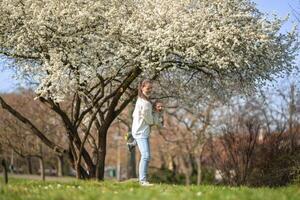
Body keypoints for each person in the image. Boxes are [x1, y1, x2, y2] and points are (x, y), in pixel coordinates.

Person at [131, 79, 163, 186]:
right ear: (142, 88)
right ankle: (143, 181)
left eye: (151, 88)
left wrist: (155, 110)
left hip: (140, 131)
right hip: (141, 132)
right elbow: (150, 120)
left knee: (146, 155)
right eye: (148, 88)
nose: (150, 90)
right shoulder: (145, 103)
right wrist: (157, 114)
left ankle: (132, 142)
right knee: (145, 156)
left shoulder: (144, 100)